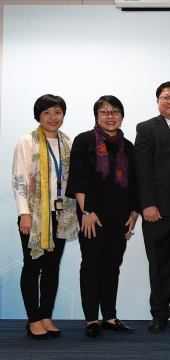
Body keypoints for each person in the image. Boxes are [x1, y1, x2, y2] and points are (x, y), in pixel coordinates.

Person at [66, 95, 140, 338]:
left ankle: (109, 317)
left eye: (115, 111)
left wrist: (134, 213)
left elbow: (134, 183)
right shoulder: (85, 140)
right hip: (93, 216)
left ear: (122, 116)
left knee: (112, 266)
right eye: (105, 111)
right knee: (91, 266)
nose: (111, 115)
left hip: (121, 216)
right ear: (97, 115)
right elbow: (76, 178)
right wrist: (85, 211)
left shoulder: (126, 145)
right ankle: (91, 320)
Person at [12, 94, 79, 340]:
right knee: (32, 267)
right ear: (38, 115)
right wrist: (24, 214)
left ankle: (46, 315)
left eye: (58, 112)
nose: (53, 117)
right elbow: (19, 180)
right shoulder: (27, 141)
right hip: (35, 215)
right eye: (47, 113)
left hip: (62, 214)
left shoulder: (67, 142)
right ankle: (33, 319)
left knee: (52, 267)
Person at [134, 82, 170, 332]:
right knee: (158, 264)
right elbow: (142, 169)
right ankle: (158, 313)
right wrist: (147, 204)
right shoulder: (146, 128)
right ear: (158, 101)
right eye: (166, 97)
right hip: (156, 209)